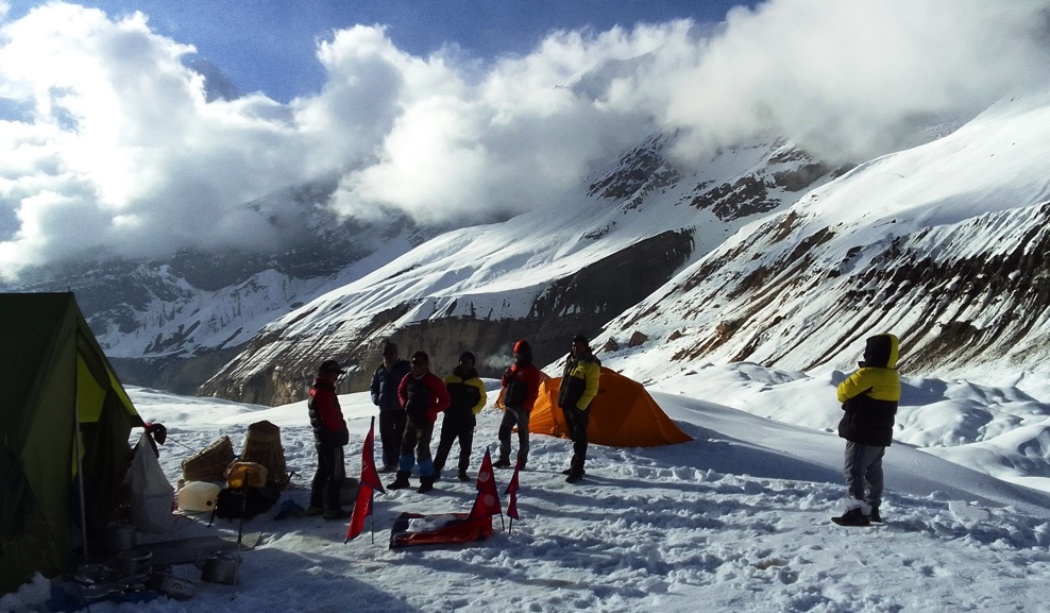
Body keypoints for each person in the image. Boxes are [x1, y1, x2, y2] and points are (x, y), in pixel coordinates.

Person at [832, 333, 901, 527]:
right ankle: (872, 509)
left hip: (862, 431)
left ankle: (856, 511)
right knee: (873, 470)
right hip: (880, 434)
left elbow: (843, 391)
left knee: (854, 470)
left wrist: (862, 372)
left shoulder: (869, 374)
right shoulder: (892, 376)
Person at [388, 351, 450, 493]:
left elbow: (446, 401)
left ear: (426, 364)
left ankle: (427, 480)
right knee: (406, 447)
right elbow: (400, 391)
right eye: (414, 362)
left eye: (420, 363)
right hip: (411, 419)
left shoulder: (433, 381)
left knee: (422, 450)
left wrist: (430, 411)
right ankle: (402, 478)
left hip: (426, 421)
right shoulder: (408, 378)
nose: (417, 366)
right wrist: (404, 404)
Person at [307, 359, 351, 520]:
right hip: (332, 440)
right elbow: (331, 419)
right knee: (337, 474)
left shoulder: (316, 390)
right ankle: (332, 508)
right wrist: (341, 432)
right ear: (326, 374)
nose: (336, 378)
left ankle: (315, 505)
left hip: (322, 439)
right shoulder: (324, 393)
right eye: (334, 374)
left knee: (323, 471)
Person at [434, 351, 488, 482]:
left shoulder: (477, 383)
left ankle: (462, 471)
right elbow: (440, 395)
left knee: (466, 447)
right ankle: (436, 469)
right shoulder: (449, 380)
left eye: (468, 362)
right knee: (444, 445)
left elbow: (483, 400)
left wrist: (473, 410)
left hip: (467, 420)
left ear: (472, 364)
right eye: (463, 361)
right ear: (459, 362)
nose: (465, 364)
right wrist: (444, 408)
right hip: (450, 419)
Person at [558, 334, 602, 484]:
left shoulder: (591, 365)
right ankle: (575, 466)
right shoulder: (572, 362)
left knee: (580, 438)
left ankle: (577, 470)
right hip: (568, 406)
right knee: (575, 438)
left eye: (577, 345)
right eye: (573, 345)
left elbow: (591, 390)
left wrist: (579, 407)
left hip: (579, 409)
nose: (574, 348)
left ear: (585, 346)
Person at [495, 340, 541, 470]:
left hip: (521, 408)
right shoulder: (515, 367)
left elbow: (533, 391)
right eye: (515, 353)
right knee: (503, 431)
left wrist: (526, 407)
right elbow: (505, 384)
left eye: (518, 354)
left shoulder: (531, 371)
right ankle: (504, 458)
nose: (515, 356)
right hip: (510, 405)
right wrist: (506, 376)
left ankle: (521, 461)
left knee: (522, 435)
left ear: (524, 354)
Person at [370, 341, 412, 473]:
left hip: (401, 409)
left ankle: (401, 463)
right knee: (386, 436)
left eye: (392, 353)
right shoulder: (380, 370)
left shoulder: (404, 367)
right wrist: (377, 400)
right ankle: (390, 464)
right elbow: (374, 387)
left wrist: (406, 401)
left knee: (400, 437)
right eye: (386, 353)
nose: (389, 356)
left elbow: (411, 384)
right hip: (385, 409)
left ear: (396, 354)